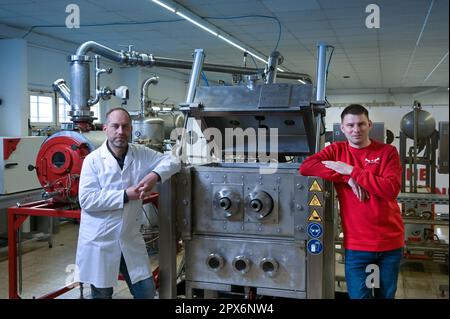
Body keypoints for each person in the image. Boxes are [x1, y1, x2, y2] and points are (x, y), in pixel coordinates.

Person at [299, 104, 404, 299]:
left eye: (361, 124)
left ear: (369, 124)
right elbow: (306, 166)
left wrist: (351, 170)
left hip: (389, 244)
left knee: (385, 296)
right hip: (358, 246)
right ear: (342, 127)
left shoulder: (387, 152)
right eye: (351, 125)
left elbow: (390, 190)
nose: (356, 130)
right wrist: (345, 178)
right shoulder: (337, 151)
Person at [75, 107, 180, 299]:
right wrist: (124, 195)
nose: (120, 132)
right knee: (101, 294)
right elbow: (87, 200)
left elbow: (174, 160)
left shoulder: (140, 153)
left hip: (130, 238)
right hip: (101, 240)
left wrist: (154, 175)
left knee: (146, 292)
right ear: (105, 128)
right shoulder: (92, 161)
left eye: (125, 127)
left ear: (131, 129)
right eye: (115, 126)